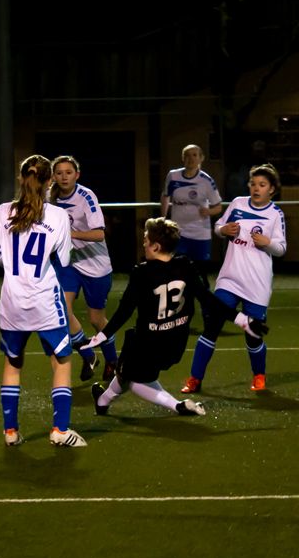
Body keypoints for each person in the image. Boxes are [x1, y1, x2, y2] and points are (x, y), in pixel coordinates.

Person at [86, 217, 264, 417]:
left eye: (146, 240)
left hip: (146, 343)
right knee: (131, 370)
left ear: (156, 245)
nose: (144, 243)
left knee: (131, 376)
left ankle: (177, 405)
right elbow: (208, 299)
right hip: (174, 344)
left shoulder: (142, 272)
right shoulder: (185, 265)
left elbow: (124, 310)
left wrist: (102, 335)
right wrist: (243, 320)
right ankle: (102, 401)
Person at [0, 154, 87, 448]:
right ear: (49, 180)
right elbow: (65, 259)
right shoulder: (56, 216)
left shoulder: (2, 211)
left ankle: (11, 433)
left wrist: (14, 267)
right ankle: (60, 430)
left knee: (12, 364)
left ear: (21, 178)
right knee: (62, 362)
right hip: (44, 301)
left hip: (12, 302)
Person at [181, 164, 286, 394]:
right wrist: (224, 230)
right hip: (229, 279)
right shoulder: (238, 203)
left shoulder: (275, 214)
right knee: (212, 328)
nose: (255, 188)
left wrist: (267, 243)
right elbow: (218, 228)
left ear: (272, 190)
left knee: (253, 333)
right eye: (253, 184)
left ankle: (259, 376)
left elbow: (281, 248)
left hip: (257, 284)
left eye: (262, 185)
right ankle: (194, 379)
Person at [49, 155, 118, 383]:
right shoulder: (51, 197)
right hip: (69, 263)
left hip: (96, 265)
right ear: (53, 176)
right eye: (59, 173)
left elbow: (99, 233)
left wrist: (71, 235)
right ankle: (88, 355)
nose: (64, 177)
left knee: (97, 320)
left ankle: (111, 360)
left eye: (68, 172)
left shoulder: (86, 196)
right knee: (62, 312)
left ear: (76, 175)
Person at [160, 144, 223, 321]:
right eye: (187, 155)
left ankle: (208, 314)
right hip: (179, 234)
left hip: (200, 235)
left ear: (201, 159)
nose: (191, 158)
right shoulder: (173, 176)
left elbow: (218, 205)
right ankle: (179, 315)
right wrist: (163, 219)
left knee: (200, 278)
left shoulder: (206, 181)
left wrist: (209, 211)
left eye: (195, 155)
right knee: (177, 275)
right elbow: (166, 196)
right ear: (183, 158)